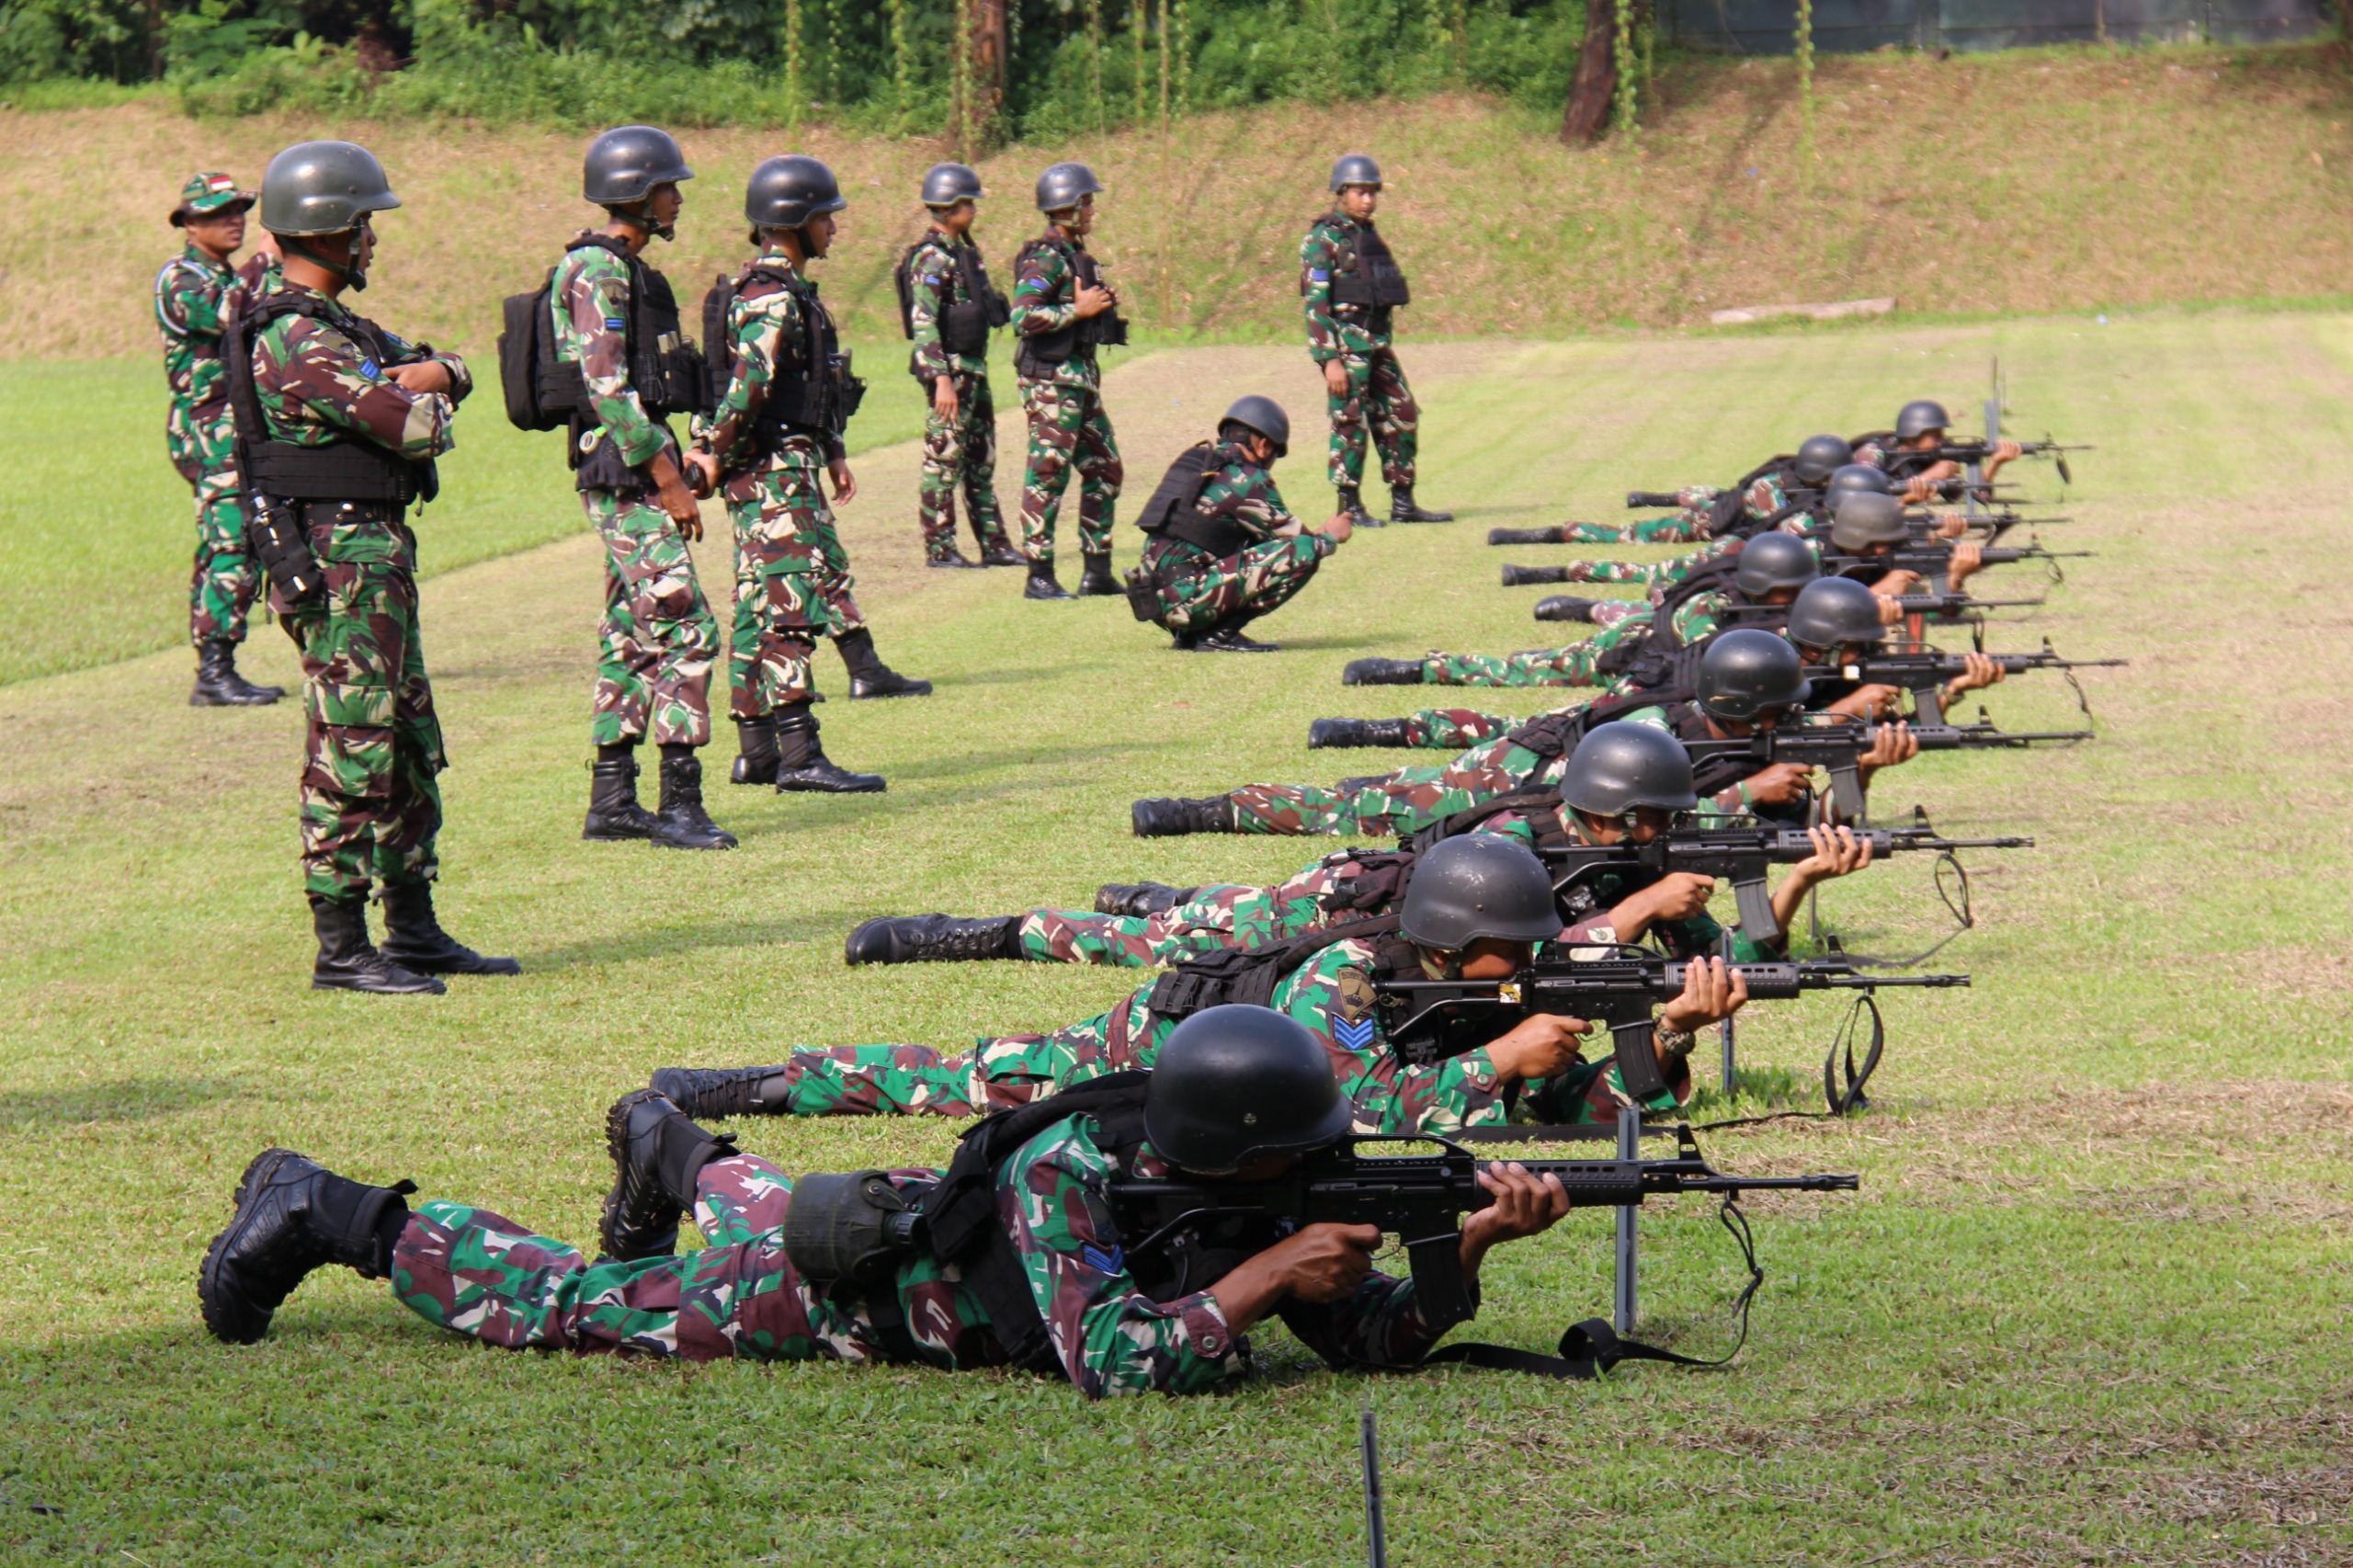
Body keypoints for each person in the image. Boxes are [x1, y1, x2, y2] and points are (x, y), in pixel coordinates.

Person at [199, 1007, 1577, 1399]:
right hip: (847, 1295)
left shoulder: (1231, 1195)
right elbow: (1113, 1359)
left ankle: (670, 1143)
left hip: (904, 1226)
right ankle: (333, 1210)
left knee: (761, 1193)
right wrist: (1270, 1276)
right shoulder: (1069, 1171)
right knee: (576, 1302)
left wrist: (1459, 1255)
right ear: (1236, 1155)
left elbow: (1372, 1336)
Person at [653, 835, 1750, 1134]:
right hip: (1165, 1046)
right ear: (1457, 944)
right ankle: (747, 1087)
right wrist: (1500, 1062)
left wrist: (1672, 1039)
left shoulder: (1471, 993)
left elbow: (1588, 1111)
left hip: (1242, 1084)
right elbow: (1352, 1109)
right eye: (1519, 949)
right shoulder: (1353, 977)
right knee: (972, 1079)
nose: (1535, 966)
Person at [841, 722, 1868, 971]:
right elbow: (1533, 946)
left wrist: (1799, 878)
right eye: (1655, 820)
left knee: (1187, 910)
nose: (1670, 834)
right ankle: (977, 930)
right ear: (1610, 811)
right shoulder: (1513, 838)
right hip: (1356, 909)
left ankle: (1172, 886)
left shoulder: (1637, 866)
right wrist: (1630, 914)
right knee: (1168, 941)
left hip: (1385, 918)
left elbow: (1717, 969)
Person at [226, 140, 514, 994]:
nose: (374, 241)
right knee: (353, 740)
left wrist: (440, 370)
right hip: (337, 559)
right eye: (365, 225)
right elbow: (416, 425)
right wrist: (435, 384)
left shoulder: (337, 327)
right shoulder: (298, 338)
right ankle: (343, 944)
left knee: (407, 738)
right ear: (331, 230)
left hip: (373, 554)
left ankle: (413, 926)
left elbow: (440, 370)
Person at [1127, 626, 1916, 840]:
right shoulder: (1653, 731)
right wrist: (1744, 794)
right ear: (1744, 708)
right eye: (1780, 713)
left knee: (1379, 799)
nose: (1790, 723)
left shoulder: (1738, 732)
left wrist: (1863, 763)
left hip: (1540, 789)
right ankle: (1205, 811)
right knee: (1366, 812)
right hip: (1522, 779)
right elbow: (1626, 816)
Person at [697, 155, 924, 797]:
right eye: (826, 215)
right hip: (771, 471)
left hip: (772, 465)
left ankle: (757, 750)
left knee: (754, 605)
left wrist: (831, 449)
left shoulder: (775, 292)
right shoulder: (772, 299)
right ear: (793, 219)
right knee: (790, 605)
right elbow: (750, 386)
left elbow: (798, 388)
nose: (835, 227)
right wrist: (714, 448)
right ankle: (799, 753)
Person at [554, 126, 734, 852]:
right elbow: (606, 386)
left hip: (636, 467)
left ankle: (613, 800)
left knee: (631, 633)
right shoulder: (598, 270)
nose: (678, 199)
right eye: (669, 187)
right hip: (628, 476)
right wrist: (666, 477)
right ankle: (681, 804)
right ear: (636, 193)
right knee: (685, 623)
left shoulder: (626, 269)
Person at [1338, 529, 1818, 695]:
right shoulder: (1711, 611)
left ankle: (1577, 610)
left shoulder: (1750, 606)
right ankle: (1419, 667)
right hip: (1632, 654)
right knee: (1524, 671)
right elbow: (1703, 673)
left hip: (1644, 639)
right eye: (1791, 594)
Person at [156, 171, 282, 707]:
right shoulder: (180, 279)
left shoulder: (220, 273)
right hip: (211, 433)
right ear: (188, 224)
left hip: (232, 429)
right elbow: (234, 312)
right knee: (233, 542)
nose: (234, 219)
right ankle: (214, 670)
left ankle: (215, 666)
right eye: (217, 213)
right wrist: (266, 259)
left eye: (239, 209)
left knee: (222, 544)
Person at [1124, 395, 1354, 653]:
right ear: (1264, 446)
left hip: (1154, 599)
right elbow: (1297, 545)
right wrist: (1331, 536)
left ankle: (1191, 634)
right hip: (1185, 599)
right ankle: (1219, 635)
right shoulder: (1247, 477)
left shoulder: (1197, 461)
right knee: (1308, 552)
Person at [1303, 153, 1449, 528]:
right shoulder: (1323, 240)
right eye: (1360, 192)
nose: (1368, 200)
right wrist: (1329, 359)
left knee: (1403, 414)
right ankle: (1348, 508)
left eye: (1373, 193)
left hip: (1377, 344)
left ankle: (1404, 503)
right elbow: (1316, 304)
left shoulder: (1367, 235)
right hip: (1348, 347)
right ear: (1342, 192)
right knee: (1350, 424)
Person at [1008, 162, 1126, 600]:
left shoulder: (1074, 257)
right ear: (1067, 207)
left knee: (1105, 468)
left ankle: (1097, 570)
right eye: (1087, 202)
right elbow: (1023, 315)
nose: (1093, 209)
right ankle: (1039, 575)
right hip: (1050, 385)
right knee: (1048, 474)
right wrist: (1078, 311)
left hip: (1079, 382)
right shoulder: (1045, 257)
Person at [898, 162, 1020, 570]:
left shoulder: (961, 252)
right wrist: (941, 380)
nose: (975, 209)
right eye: (968, 202)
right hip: (949, 370)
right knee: (943, 458)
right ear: (947, 207)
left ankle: (994, 543)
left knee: (980, 458)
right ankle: (940, 547)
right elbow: (924, 322)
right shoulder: (931, 259)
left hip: (972, 368)